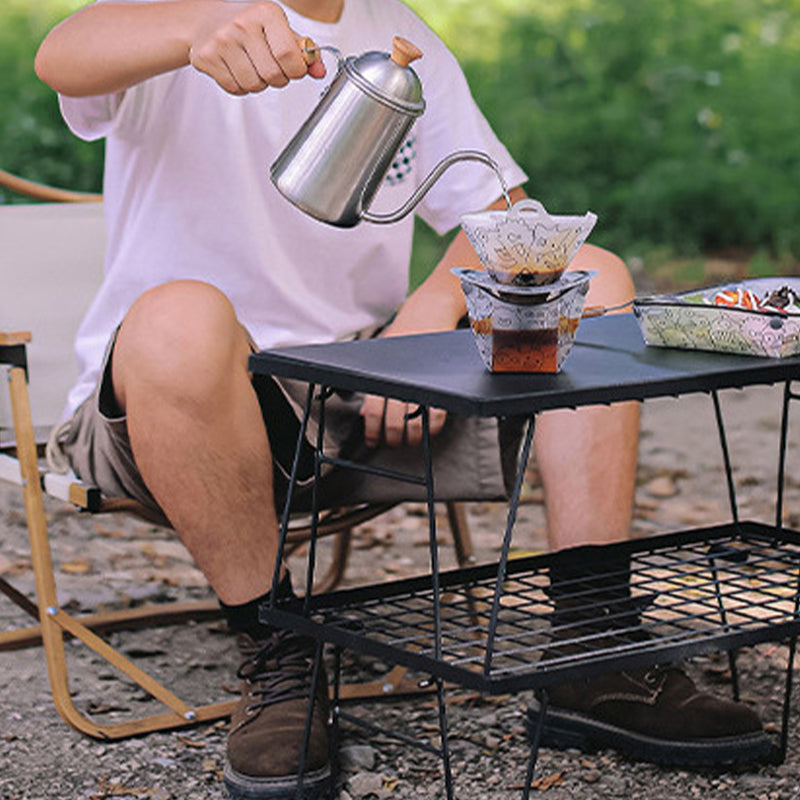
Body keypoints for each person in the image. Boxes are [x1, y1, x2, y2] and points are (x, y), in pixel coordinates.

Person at [35, 1, 768, 797]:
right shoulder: (182, 12)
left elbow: (508, 217)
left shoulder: (395, 32)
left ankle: (591, 644)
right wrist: (195, 31)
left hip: (359, 391)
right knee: (180, 317)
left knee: (593, 274)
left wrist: (428, 310)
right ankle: (277, 653)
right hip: (174, 407)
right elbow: (61, 55)